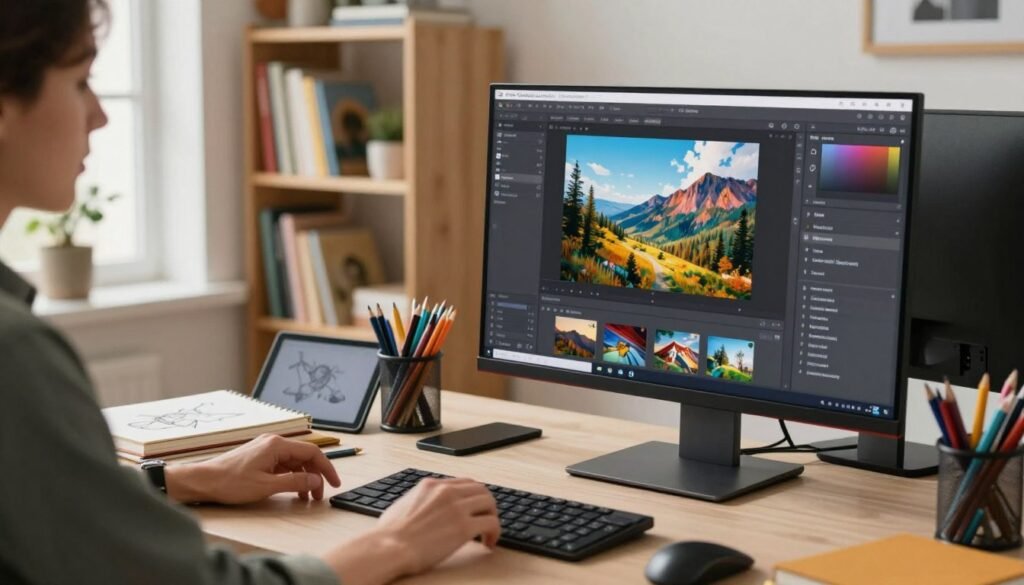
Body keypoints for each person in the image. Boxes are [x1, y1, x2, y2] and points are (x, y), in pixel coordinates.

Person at [0, 2, 499, 584]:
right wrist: (396, 541)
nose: (101, 115)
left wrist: (189, 478)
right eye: (80, 81)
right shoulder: (15, 353)